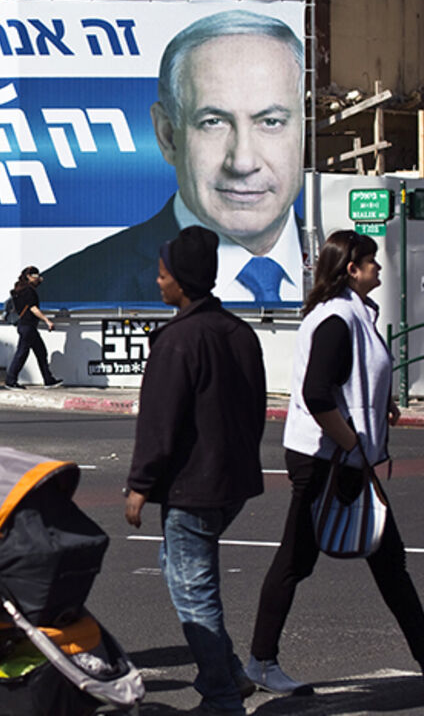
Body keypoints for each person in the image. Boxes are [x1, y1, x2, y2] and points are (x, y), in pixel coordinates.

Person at [245, 230, 424, 695]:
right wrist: (352, 441)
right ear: (351, 270)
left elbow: (349, 381)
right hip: (324, 459)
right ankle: (260, 661)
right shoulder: (339, 318)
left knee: (387, 560)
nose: (379, 268)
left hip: (341, 456)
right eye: (371, 262)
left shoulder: (355, 313)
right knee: (297, 559)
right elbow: (316, 393)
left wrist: (379, 409)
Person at [41, 10, 305, 306]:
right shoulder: (70, 288)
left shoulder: (346, 265)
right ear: (167, 135)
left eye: (270, 122)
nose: (242, 162)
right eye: (213, 122)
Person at [123, 226, 266, 716]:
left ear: (182, 281)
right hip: (234, 482)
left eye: (163, 275)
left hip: (194, 486)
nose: (158, 282)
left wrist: (139, 487)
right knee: (182, 570)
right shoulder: (239, 332)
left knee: (194, 592)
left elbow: (159, 423)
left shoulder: (178, 341)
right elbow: (255, 409)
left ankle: (222, 697)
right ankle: (229, 674)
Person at [4, 266, 62, 390]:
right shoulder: (28, 291)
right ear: (29, 277)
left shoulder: (19, 290)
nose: (38, 279)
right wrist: (47, 320)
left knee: (39, 351)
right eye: (35, 277)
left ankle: (48, 379)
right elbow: (33, 308)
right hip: (27, 326)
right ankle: (11, 380)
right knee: (23, 353)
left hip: (25, 326)